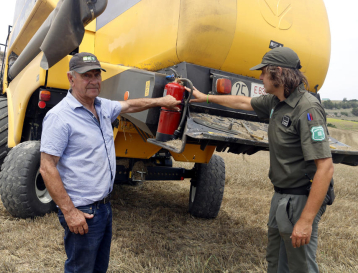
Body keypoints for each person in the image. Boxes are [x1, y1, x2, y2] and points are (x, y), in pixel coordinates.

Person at [186, 47, 334, 273]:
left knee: (300, 266)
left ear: (280, 73)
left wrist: (306, 220)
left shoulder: (307, 108)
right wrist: (204, 97)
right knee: (275, 262)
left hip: (300, 198)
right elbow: (243, 102)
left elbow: (325, 168)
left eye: (264, 72)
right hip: (281, 196)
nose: (260, 77)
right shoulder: (276, 102)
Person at [39, 52, 180, 273]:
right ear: (71, 78)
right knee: (80, 269)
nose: (94, 81)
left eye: (97, 75)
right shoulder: (60, 117)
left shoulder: (102, 106)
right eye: (86, 76)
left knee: (98, 268)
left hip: (104, 207)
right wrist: (69, 212)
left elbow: (131, 106)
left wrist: (162, 101)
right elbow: (47, 167)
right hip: (82, 212)